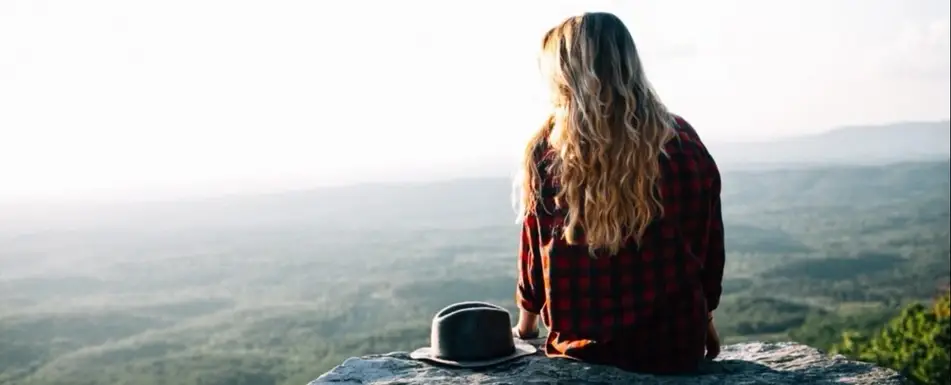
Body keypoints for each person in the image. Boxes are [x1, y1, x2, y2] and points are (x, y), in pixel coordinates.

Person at [512, 12, 725, 375]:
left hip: (581, 353)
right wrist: (704, 324)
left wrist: (525, 330)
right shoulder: (681, 141)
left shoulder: (547, 150)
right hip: (673, 347)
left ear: (564, 76)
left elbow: (535, 261)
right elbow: (704, 247)